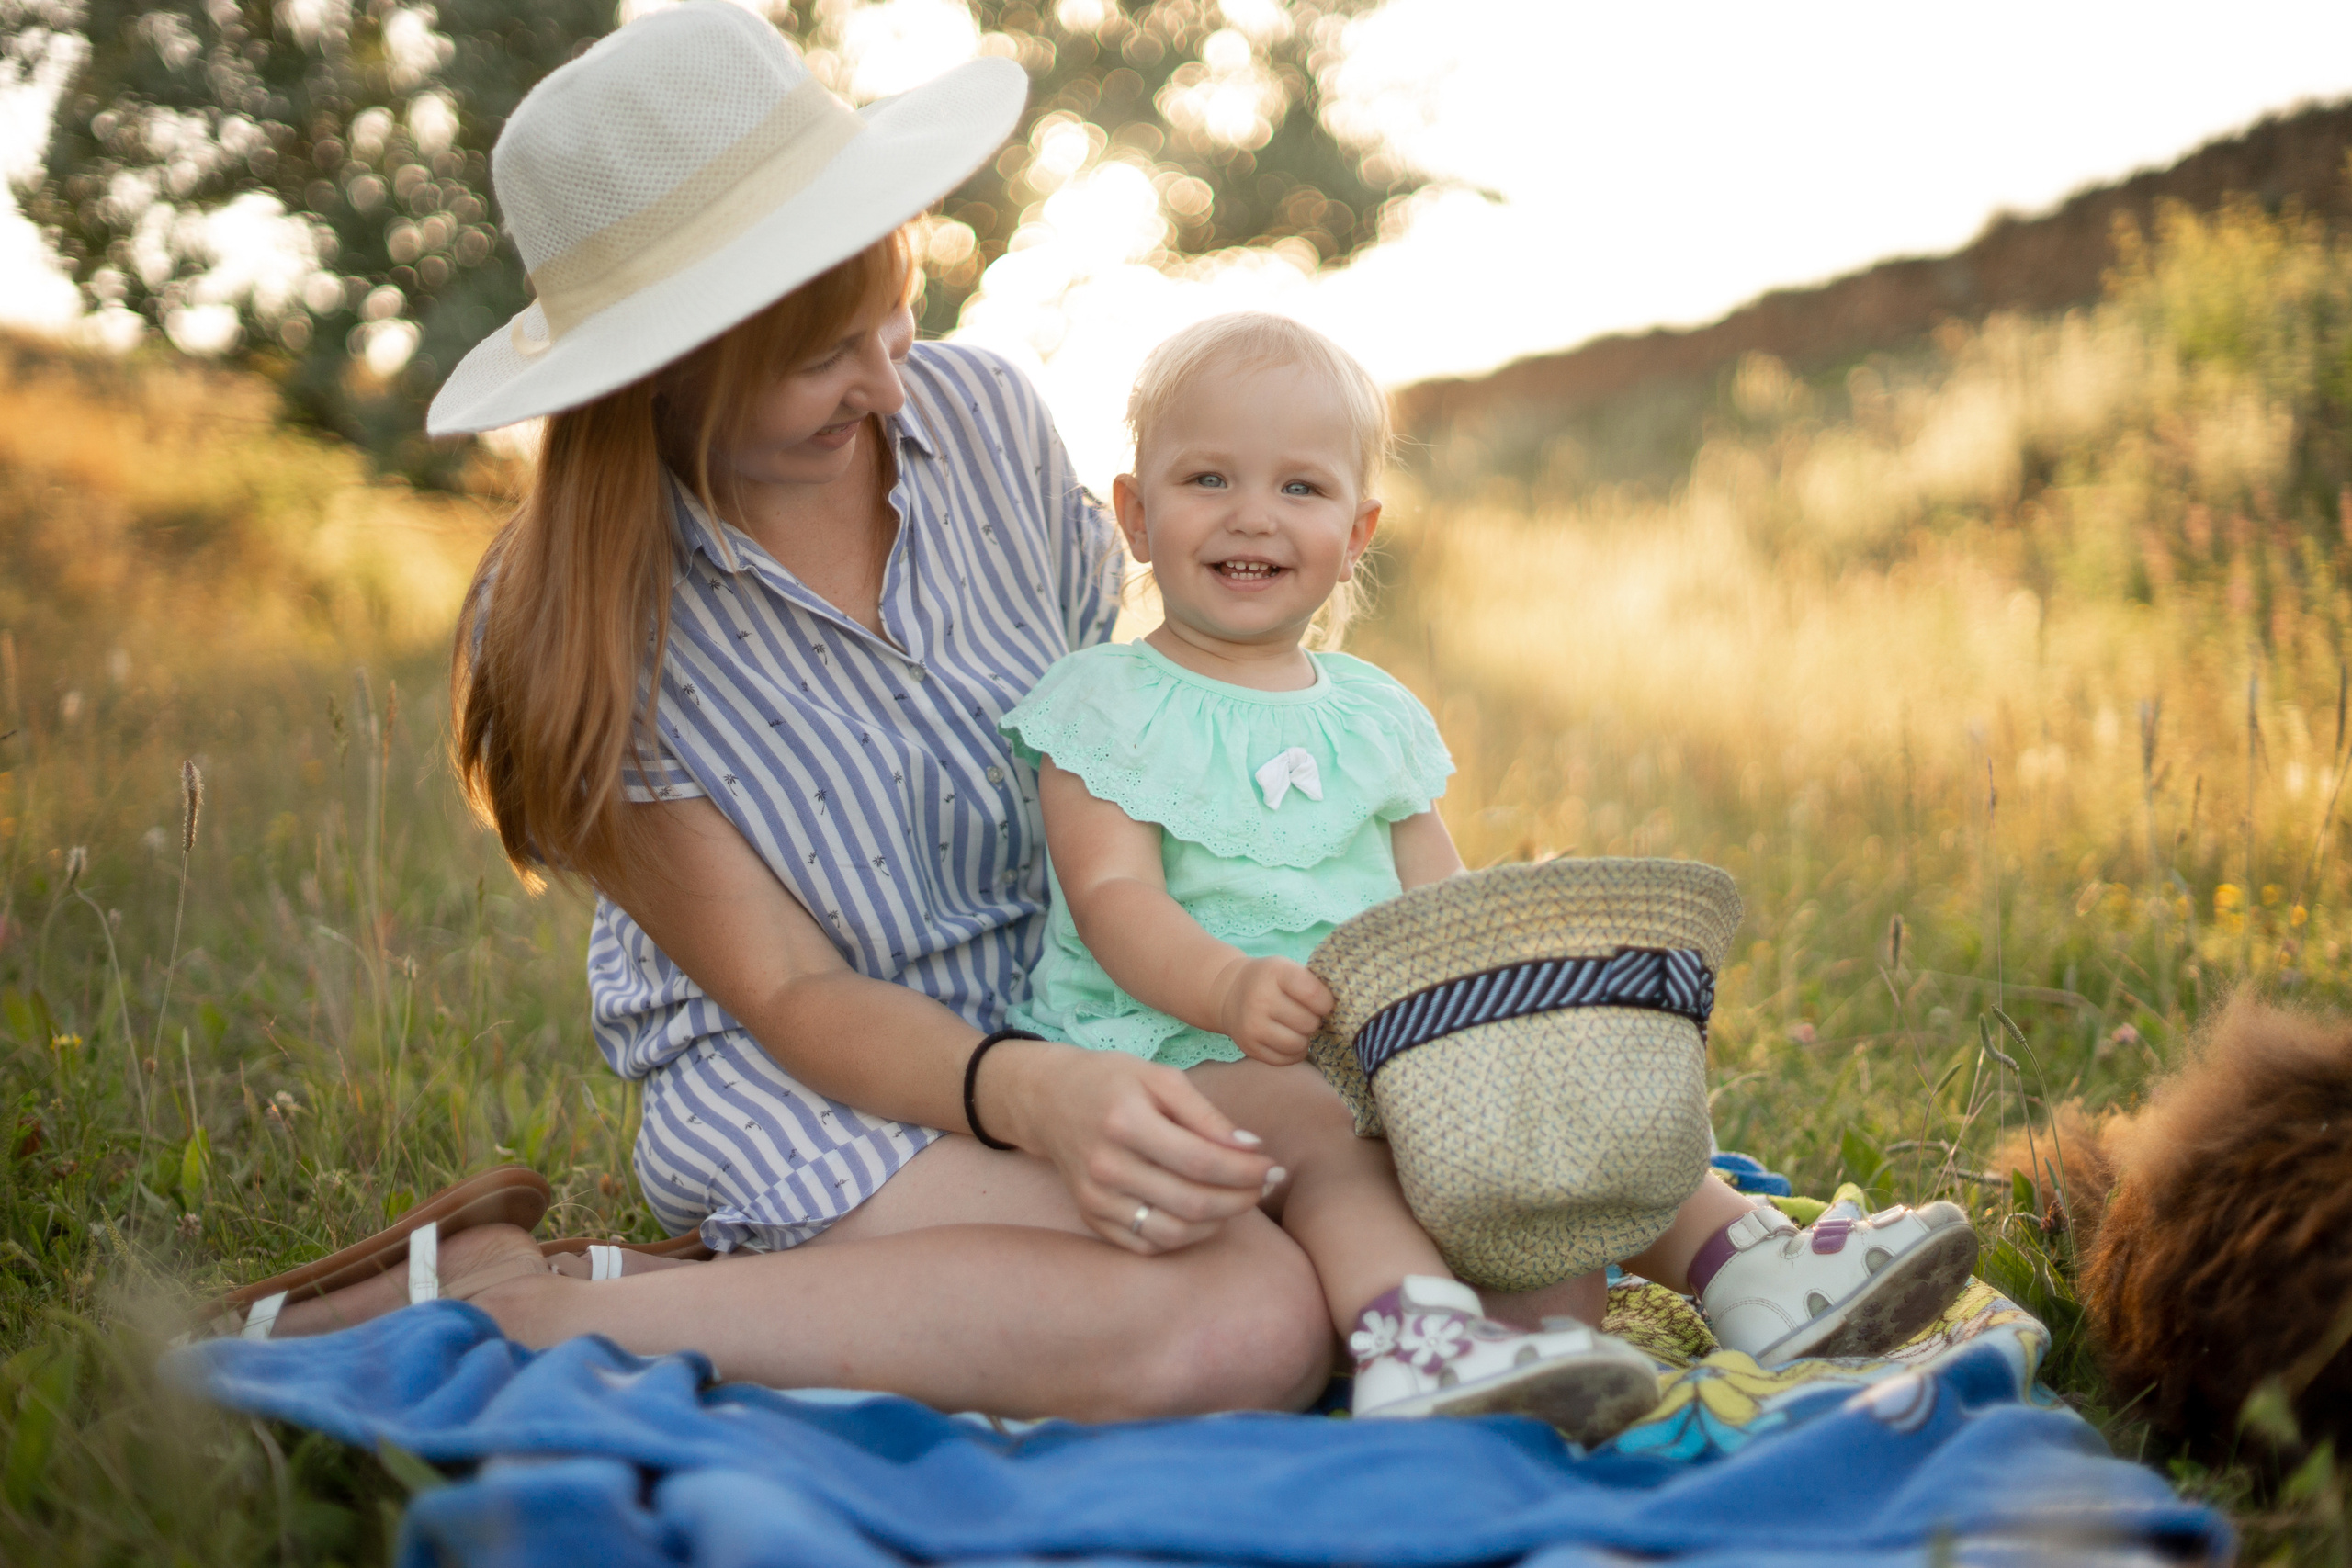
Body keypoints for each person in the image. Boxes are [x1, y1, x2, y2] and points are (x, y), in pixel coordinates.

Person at [219, 1, 1336, 1423]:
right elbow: (796, 996)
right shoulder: (573, 623)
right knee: (1244, 1317)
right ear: (661, 370)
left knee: (1383, 1178)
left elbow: (1120, 745)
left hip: (1067, 1015)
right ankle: (547, 1309)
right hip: (820, 1084)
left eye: (893, 310)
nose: (885, 383)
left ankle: (645, 1286)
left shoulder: (982, 416)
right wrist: (1037, 1095)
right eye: (821, 360)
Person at [990, 312, 1983, 1428]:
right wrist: (1226, 986)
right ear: (1135, 513)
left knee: (1552, 1100)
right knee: (1322, 1128)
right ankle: (1415, 1338)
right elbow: (1112, 900)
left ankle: (1745, 1268)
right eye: (1207, 478)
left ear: (1358, 530)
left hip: (1369, 1051)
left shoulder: (1373, 714)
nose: (1252, 515)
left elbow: (1446, 916)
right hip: (1186, 1057)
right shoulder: (1105, 703)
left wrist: (1526, 1024)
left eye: (1301, 490)